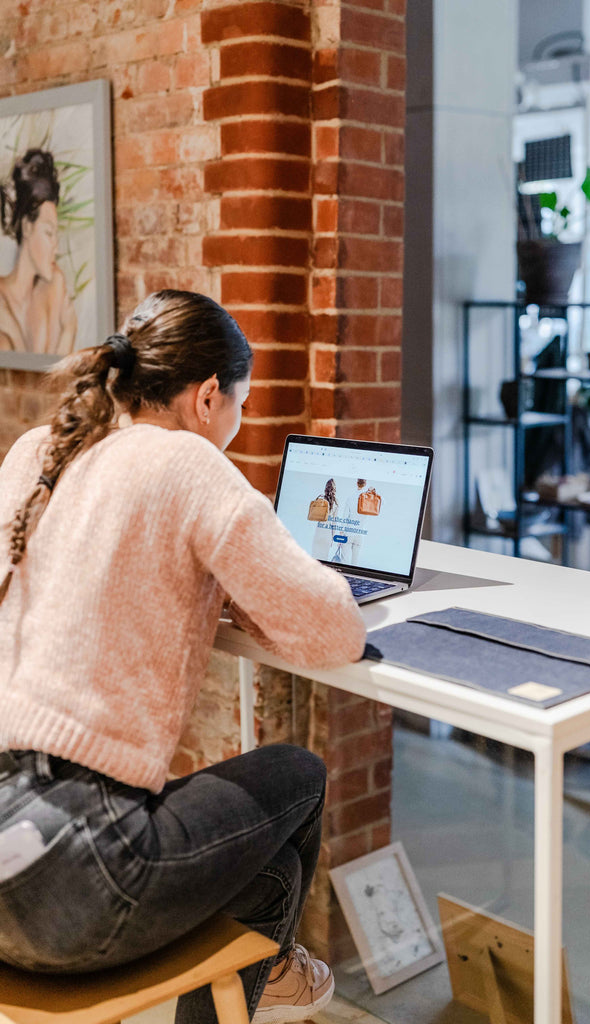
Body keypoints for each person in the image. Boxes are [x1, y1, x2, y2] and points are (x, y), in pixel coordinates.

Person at [0, 290, 366, 1024]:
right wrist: (247, 592)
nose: (239, 423)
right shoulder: (186, 465)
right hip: (79, 875)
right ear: (206, 398)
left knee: (273, 872)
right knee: (297, 774)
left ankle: (274, 974)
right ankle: (279, 976)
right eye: (240, 405)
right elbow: (336, 632)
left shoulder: (38, 451)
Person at [0, 148, 77, 355]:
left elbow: (60, 374)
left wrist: (69, 330)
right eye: (48, 233)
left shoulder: (54, 285)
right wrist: (68, 329)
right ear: (27, 227)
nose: (56, 248)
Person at [311, 477, 338, 560]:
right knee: (324, 560)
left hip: (319, 533)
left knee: (314, 560)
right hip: (328, 535)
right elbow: (334, 523)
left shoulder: (321, 499)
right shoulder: (336, 503)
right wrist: (332, 538)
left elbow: (315, 516)